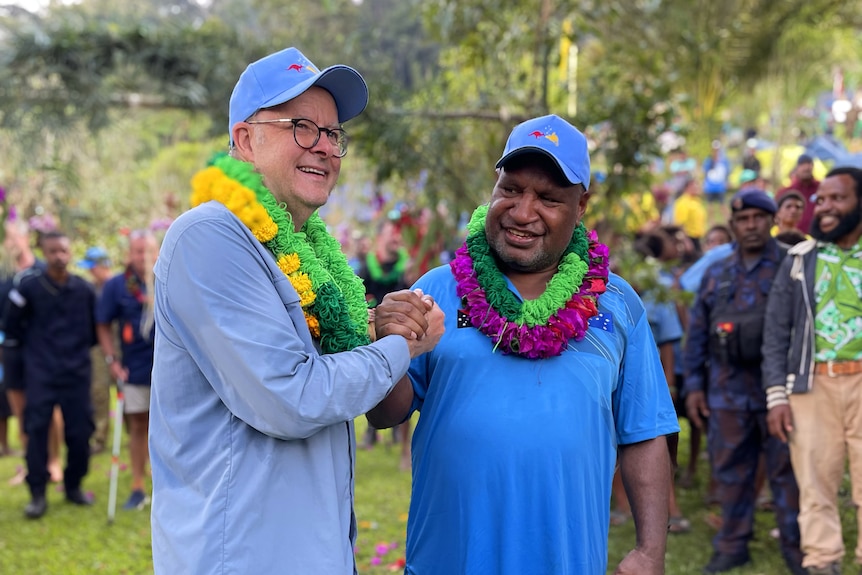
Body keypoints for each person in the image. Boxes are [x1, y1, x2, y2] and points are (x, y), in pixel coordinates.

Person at [148, 46, 444, 575]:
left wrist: (375, 323)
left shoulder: (307, 250)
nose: (324, 147)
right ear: (244, 139)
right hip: (244, 555)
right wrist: (405, 344)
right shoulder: (211, 236)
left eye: (333, 134)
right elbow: (293, 397)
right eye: (301, 126)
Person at [367, 114, 680, 575]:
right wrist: (388, 345)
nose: (522, 212)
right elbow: (383, 414)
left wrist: (651, 550)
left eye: (548, 198)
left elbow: (645, 433)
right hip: (448, 561)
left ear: (581, 206)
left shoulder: (616, 304)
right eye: (511, 189)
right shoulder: (436, 291)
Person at [683, 190, 804, 574]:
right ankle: (733, 544)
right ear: (734, 224)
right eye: (743, 219)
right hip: (727, 389)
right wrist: (695, 387)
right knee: (731, 470)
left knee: (787, 472)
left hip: (780, 392)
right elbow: (698, 333)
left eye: (757, 217)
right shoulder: (717, 272)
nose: (750, 225)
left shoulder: (791, 265)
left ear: (770, 220)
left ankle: (797, 547)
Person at [763, 167, 862, 575]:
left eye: (837, 198)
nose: (825, 208)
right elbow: (776, 332)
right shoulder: (800, 260)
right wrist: (776, 397)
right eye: (821, 199)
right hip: (812, 384)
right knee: (815, 481)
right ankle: (822, 562)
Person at [3, 230, 97, 518]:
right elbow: (12, 327)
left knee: (81, 432)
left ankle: (73, 485)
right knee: (36, 430)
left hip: (76, 372)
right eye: (53, 251)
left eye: (64, 251)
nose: (59, 256)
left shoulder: (83, 289)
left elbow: (95, 330)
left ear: (70, 253)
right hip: (41, 371)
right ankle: (38, 493)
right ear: (44, 253)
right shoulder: (29, 288)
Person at [96, 231, 157, 510]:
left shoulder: (167, 278)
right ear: (128, 254)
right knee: (138, 426)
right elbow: (103, 324)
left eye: (147, 251)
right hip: (134, 370)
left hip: (168, 371)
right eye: (137, 251)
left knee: (170, 428)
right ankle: (137, 485)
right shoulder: (117, 286)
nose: (142, 256)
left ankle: (164, 483)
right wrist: (112, 361)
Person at [357, 218, 412, 465]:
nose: (396, 237)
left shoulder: (405, 266)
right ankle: (371, 435)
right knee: (375, 386)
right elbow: (357, 296)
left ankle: (404, 449)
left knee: (405, 383)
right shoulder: (368, 268)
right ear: (380, 236)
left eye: (398, 233)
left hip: (399, 332)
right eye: (391, 232)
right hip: (372, 334)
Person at [78, 246, 113, 454]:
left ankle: (137, 434)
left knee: (129, 393)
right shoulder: (90, 288)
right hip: (98, 348)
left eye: (93, 267)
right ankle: (99, 438)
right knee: (99, 392)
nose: (90, 271)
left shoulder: (120, 285)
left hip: (122, 345)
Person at [777, 154, 820, 234]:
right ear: (797, 168)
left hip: (816, 237)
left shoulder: (821, 188)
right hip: (789, 238)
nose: (806, 167)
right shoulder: (786, 191)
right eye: (803, 165)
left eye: (809, 164)